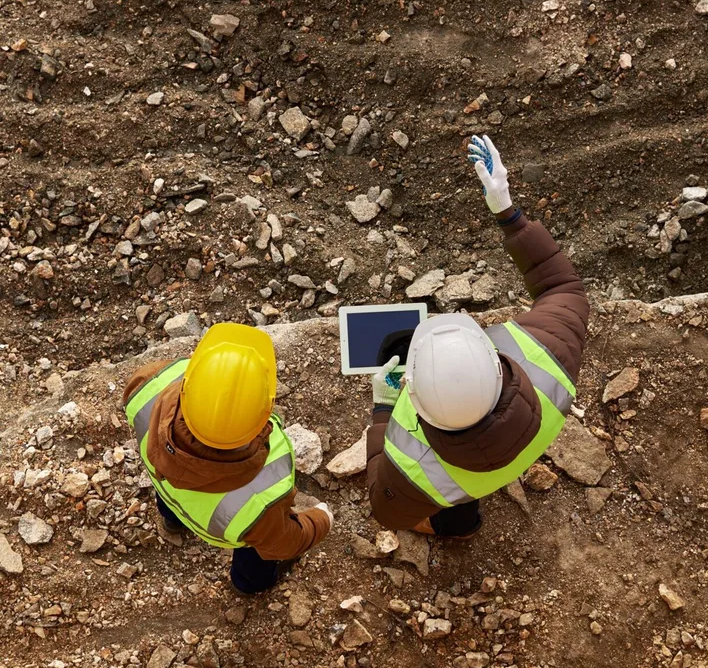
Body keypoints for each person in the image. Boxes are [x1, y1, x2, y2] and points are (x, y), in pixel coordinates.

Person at [367, 135, 589, 538]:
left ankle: (457, 527)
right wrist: (507, 212)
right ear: (494, 358)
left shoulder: (411, 462)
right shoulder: (549, 359)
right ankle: (462, 524)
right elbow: (563, 288)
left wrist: (383, 409)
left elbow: (386, 512)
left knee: (453, 496)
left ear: (411, 398)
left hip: (454, 480)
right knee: (463, 486)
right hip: (514, 445)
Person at [123, 322, 333, 593]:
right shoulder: (260, 500)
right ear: (263, 413)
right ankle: (247, 585)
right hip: (238, 526)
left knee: (168, 478)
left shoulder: (151, 381)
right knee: (256, 546)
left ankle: (172, 520)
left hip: (167, 481)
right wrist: (321, 520)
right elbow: (284, 542)